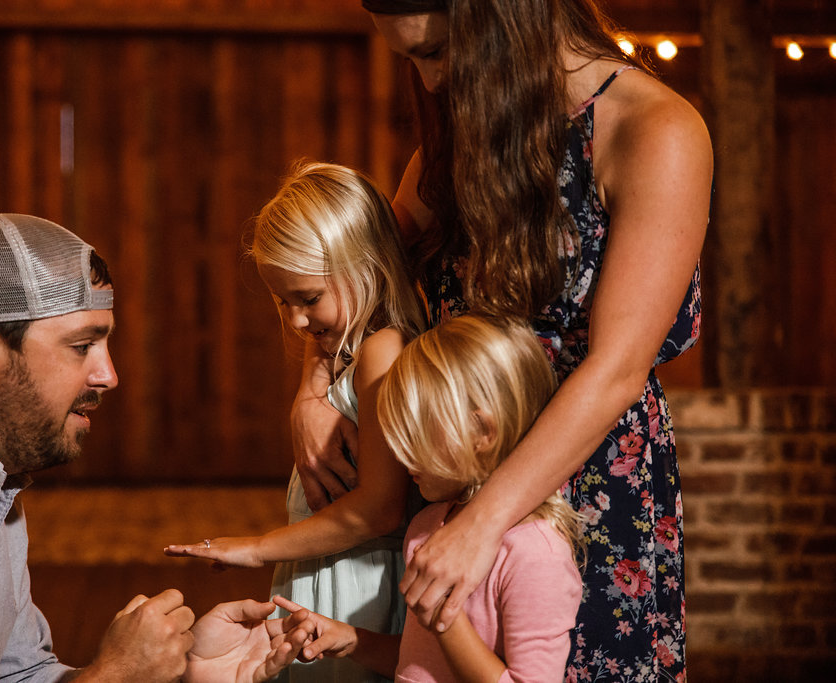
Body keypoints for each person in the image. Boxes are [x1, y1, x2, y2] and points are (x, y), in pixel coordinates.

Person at [291, 1, 713, 679]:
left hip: (585, 498)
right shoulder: (471, 129)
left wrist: (481, 524)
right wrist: (312, 389)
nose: (429, 83)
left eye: (434, 53)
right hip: (453, 481)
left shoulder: (655, 129)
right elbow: (366, 274)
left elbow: (615, 369)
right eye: (412, 62)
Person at [0, 212, 313, 682]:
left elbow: (18, 675)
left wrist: (180, 671)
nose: (109, 375)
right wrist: (114, 675)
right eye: (82, 346)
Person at [165, 161, 427, 682]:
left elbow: (378, 509)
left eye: (308, 299)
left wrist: (258, 547)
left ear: (366, 265)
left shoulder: (383, 351)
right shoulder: (353, 349)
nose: (297, 322)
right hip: (326, 570)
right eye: (282, 302)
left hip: (358, 589)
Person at [275, 315, 585, 682]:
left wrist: (444, 618)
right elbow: (420, 663)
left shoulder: (535, 555)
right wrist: (352, 640)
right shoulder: (427, 526)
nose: (399, 453)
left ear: (482, 430)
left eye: (415, 433)